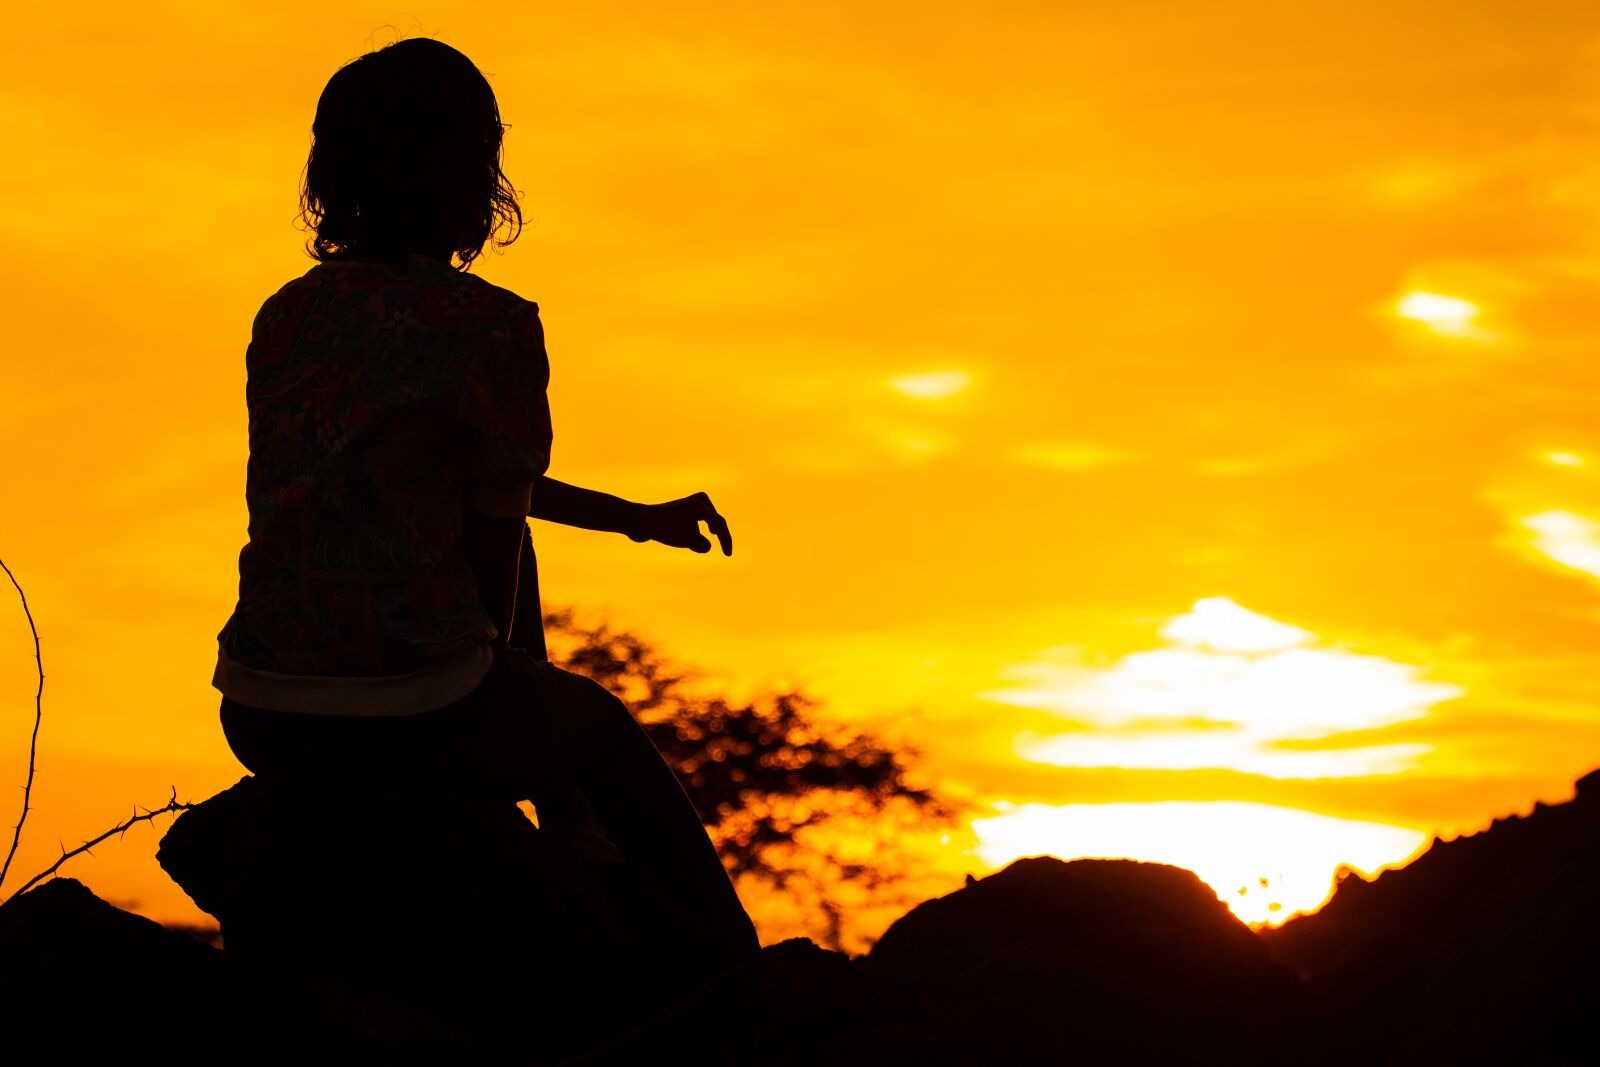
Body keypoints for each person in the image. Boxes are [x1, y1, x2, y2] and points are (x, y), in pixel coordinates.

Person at [211, 37, 760, 995]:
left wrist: (632, 516)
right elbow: (493, 534)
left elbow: (399, 476)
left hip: (261, 710)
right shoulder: (490, 326)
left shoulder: (286, 316)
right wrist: (529, 724)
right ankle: (739, 980)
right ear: (476, 172)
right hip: (420, 708)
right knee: (605, 730)